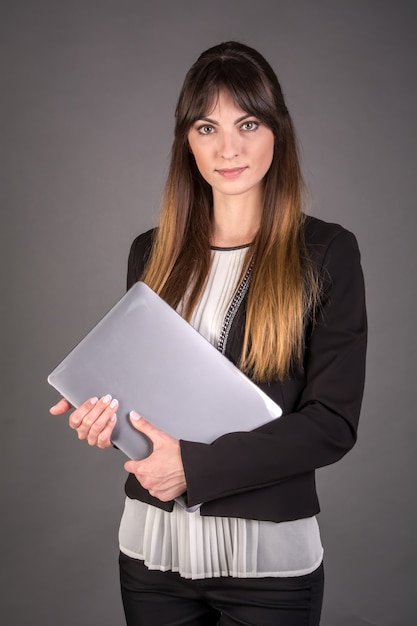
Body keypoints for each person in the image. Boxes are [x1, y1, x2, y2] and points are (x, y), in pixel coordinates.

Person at [50, 41, 367, 625]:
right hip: (151, 558)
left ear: (278, 131)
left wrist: (193, 468)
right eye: (206, 127)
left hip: (268, 567)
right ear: (186, 142)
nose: (229, 148)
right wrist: (108, 417)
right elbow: (151, 404)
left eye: (248, 122)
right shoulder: (151, 253)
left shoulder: (326, 253)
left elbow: (332, 425)